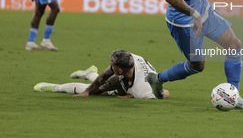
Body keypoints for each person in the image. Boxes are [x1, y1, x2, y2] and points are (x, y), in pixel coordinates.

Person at [34, 50, 170, 99]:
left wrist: (134, 95)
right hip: (127, 82)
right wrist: (88, 91)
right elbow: (105, 75)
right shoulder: (128, 58)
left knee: (105, 88)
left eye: (113, 65)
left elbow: (166, 94)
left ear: (120, 70)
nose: (110, 66)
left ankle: (88, 74)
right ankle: (56, 87)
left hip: (133, 87)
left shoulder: (143, 91)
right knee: (94, 90)